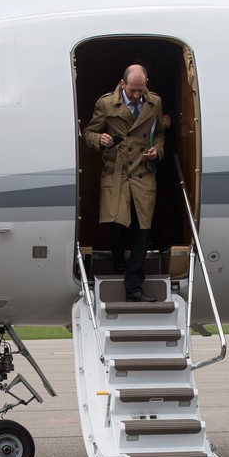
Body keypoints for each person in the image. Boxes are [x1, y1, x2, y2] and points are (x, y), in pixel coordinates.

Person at [83, 64, 164, 302]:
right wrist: (100, 139)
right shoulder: (106, 104)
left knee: (142, 228)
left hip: (142, 173)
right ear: (122, 84)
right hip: (116, 172)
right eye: (132, 90)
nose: (137, 95)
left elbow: (160, 133)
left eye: (141, 89)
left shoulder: (155, 102)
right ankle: (118, 261)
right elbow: (88, 133)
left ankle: (134, 287)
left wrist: (157, 150)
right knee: (116, 223)